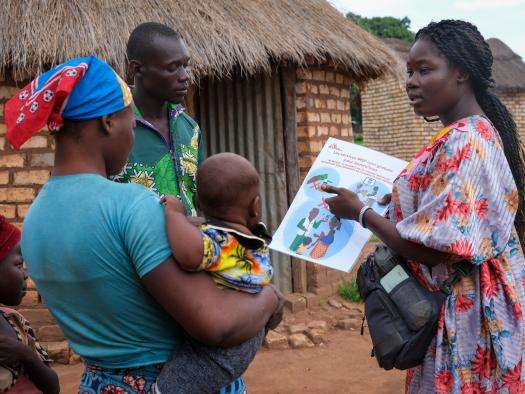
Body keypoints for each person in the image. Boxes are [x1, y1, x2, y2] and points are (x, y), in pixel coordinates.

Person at [5, 56, 282, 393]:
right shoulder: (131, 205)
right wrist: (269, 299)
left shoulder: (35, 218)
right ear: (107, 122)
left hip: (99, 383)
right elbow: (216, 325)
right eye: (129, 123)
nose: (134, 136)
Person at [322, 20, 525, 393]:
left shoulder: (464, 141)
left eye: (424, 70)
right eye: (409, 71)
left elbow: (431, 249)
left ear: (461, 72)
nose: (411, 81)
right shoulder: (465, 134)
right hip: (460, 301)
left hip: (468, 308)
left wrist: (360, 213)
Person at [157, 152, 273, 393]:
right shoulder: (250, 239)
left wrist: (174, 214)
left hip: (222, 351)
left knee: (169, 388)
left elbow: (189, 255)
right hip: (249, 327)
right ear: (256, 206)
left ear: (198, 203)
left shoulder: (221, 243)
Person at [113, 22, 204, 216]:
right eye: (172, 68)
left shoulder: (190, 129)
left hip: (188, 245)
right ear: (137, 69)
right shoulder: (112, 127)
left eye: (185, 66)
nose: (184, 76)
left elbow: (200, 200)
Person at [0, 215, 59, 394]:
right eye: (19, 264)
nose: (26, 274)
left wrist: (25, 355)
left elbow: (53, 387)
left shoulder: (14, 320)